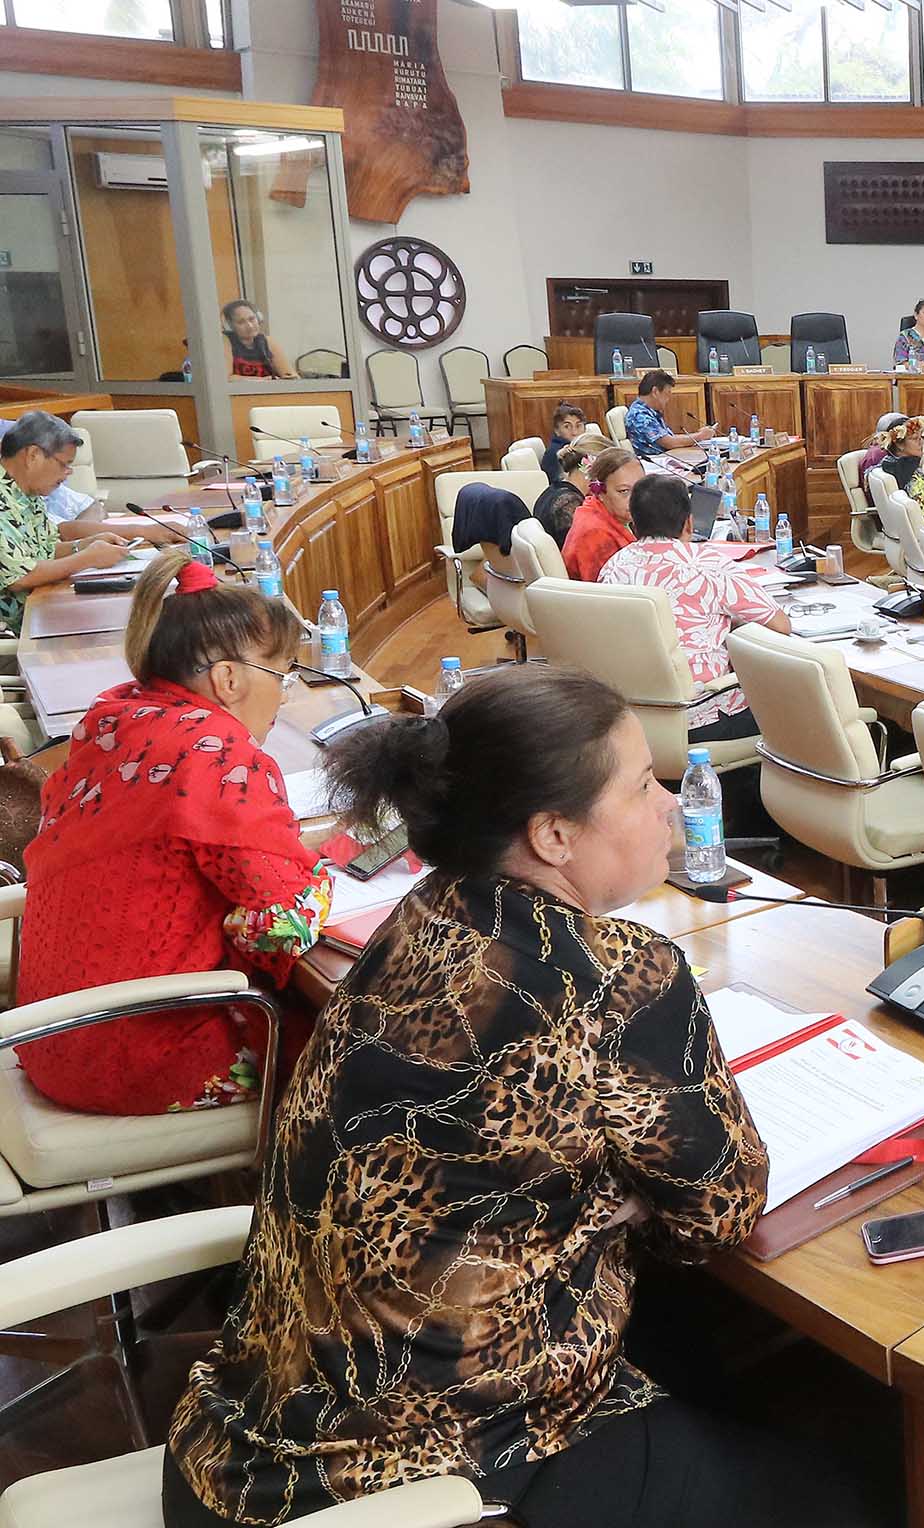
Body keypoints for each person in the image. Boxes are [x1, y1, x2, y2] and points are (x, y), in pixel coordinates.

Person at [164, 665, 852, 1528]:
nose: (671, 805)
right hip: (400, 1478)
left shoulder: (423, 912)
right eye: (643, 786)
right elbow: (720, 1211)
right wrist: (625, 1195)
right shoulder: (617, 976)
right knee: (853, 1486)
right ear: (555, 834)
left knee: (696, 1357)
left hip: (237, 1449)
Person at [13, 549, 330, 1117]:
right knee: (355, 1049)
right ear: (229, 678)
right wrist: (326, 872)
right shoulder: (221, 757)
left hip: (49, 1035)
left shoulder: (113, 719)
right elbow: (283, 928)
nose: (284, 694)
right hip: (137, 1056)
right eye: (282, 675)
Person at [600, 473, 790, 746]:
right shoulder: (708, 564)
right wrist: (729, 621)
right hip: (705, 714)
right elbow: (780, 626)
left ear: (634, 524)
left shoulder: (613, 567)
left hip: (633, 720)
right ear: (689, 523)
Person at [0, 411, 138, 633]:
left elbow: (45, 550)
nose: (68, 472)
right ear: (33, 455)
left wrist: (84, 545)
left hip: (43, 609)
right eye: (64, 464)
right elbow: (21, 576)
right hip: (17, 629)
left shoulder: (27, 492)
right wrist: (88, 558)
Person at [563, 444, 643, 581]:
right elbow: (606, 590)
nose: (637, 499)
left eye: (641, 488)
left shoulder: (610, 513)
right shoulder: (595, 534)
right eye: (624, 491)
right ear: (599, 492)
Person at [864, 414, 924, 525]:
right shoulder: (897, 472)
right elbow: (920, 521)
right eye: (915, 439)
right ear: (899, 445)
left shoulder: (911, 467)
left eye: (922, 437)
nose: (921, 442)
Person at [623, 370, 718, 458]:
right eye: (667, 393)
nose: (669, 397)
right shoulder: (640, 415)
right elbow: (670, 442)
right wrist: (700, 436)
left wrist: (699, 435)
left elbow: (670, 437)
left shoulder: (650, 411)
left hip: (666, 458)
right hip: (655, 463)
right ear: (655, 392)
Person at [221, 299, 296, 380]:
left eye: (252, 319)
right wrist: (262, 380)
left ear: (259, 318)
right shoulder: (225, 341)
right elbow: (227, 378)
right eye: (241, 322)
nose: (250, 326)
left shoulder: (268, 342)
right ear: (230, 326)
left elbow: (290, 375)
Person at [539, 400, 589, 483]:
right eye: (567, 427)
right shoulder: (554, 453)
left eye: (578, 426)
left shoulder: (585, 445)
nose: (574, 432)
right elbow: (560, 484)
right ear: (557, 430)